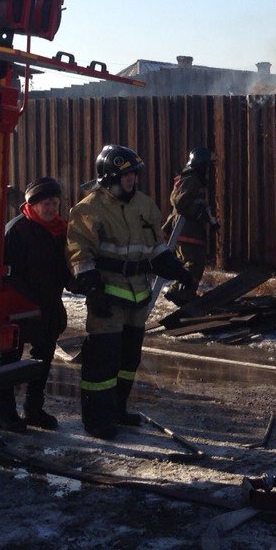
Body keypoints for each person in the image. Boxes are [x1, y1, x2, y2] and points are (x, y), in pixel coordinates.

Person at [67, 144, 195, 439]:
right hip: (108, 299)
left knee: (128, 362)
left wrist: (178, 271)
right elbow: (79, 256)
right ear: (110, 176)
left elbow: (156, 249)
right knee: (102, 363)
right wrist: (93, 290)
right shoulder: (87, 210)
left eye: (134, 175)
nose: (133, 180)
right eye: (127, 175)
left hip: (138, 299)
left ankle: (117, 410)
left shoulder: (145, 205)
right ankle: (97, 420)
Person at [0, 176, 70, 432]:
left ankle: (33, 408)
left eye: (55, 203)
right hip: (19, 308)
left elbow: (63, 268)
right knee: (10, 362)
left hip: (48, 306)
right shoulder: (16, 230)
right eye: (47, 203)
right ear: (33, 204)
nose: (52, 209)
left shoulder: (59, 231)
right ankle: (4, 412)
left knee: (43, 359)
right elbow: (7, 271)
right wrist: (28, 301)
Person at [163, 147, 219, 307]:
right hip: (186, 229)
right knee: (193, 262)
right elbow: (180, 202)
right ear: (201, 164)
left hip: (190, 228)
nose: (208, 170)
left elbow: (195, 202)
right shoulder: (191, 178)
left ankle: (185, 293)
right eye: (207, 165)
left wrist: (209, 218)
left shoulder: (192, 178)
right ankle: (179, 292)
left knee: (195, 262)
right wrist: (199, 214)